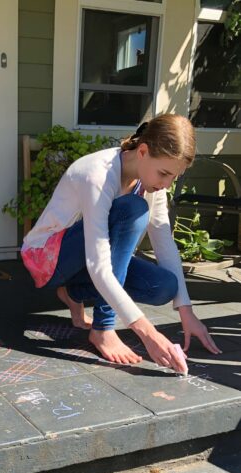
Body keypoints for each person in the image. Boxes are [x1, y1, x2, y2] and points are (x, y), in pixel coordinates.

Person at [21, 114, 221, 373]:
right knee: (132, 209)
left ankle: (74, 293)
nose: (167, 184)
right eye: (164, 173)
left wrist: (187, 312)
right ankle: (102, 329)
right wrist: (148, 334)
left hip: (89, 261)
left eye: (174, 177)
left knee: (164, 286)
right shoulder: (98, 175)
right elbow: (99, 265)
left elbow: (165, 245)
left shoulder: (151, 184)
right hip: (47, 259)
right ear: (143, 151)